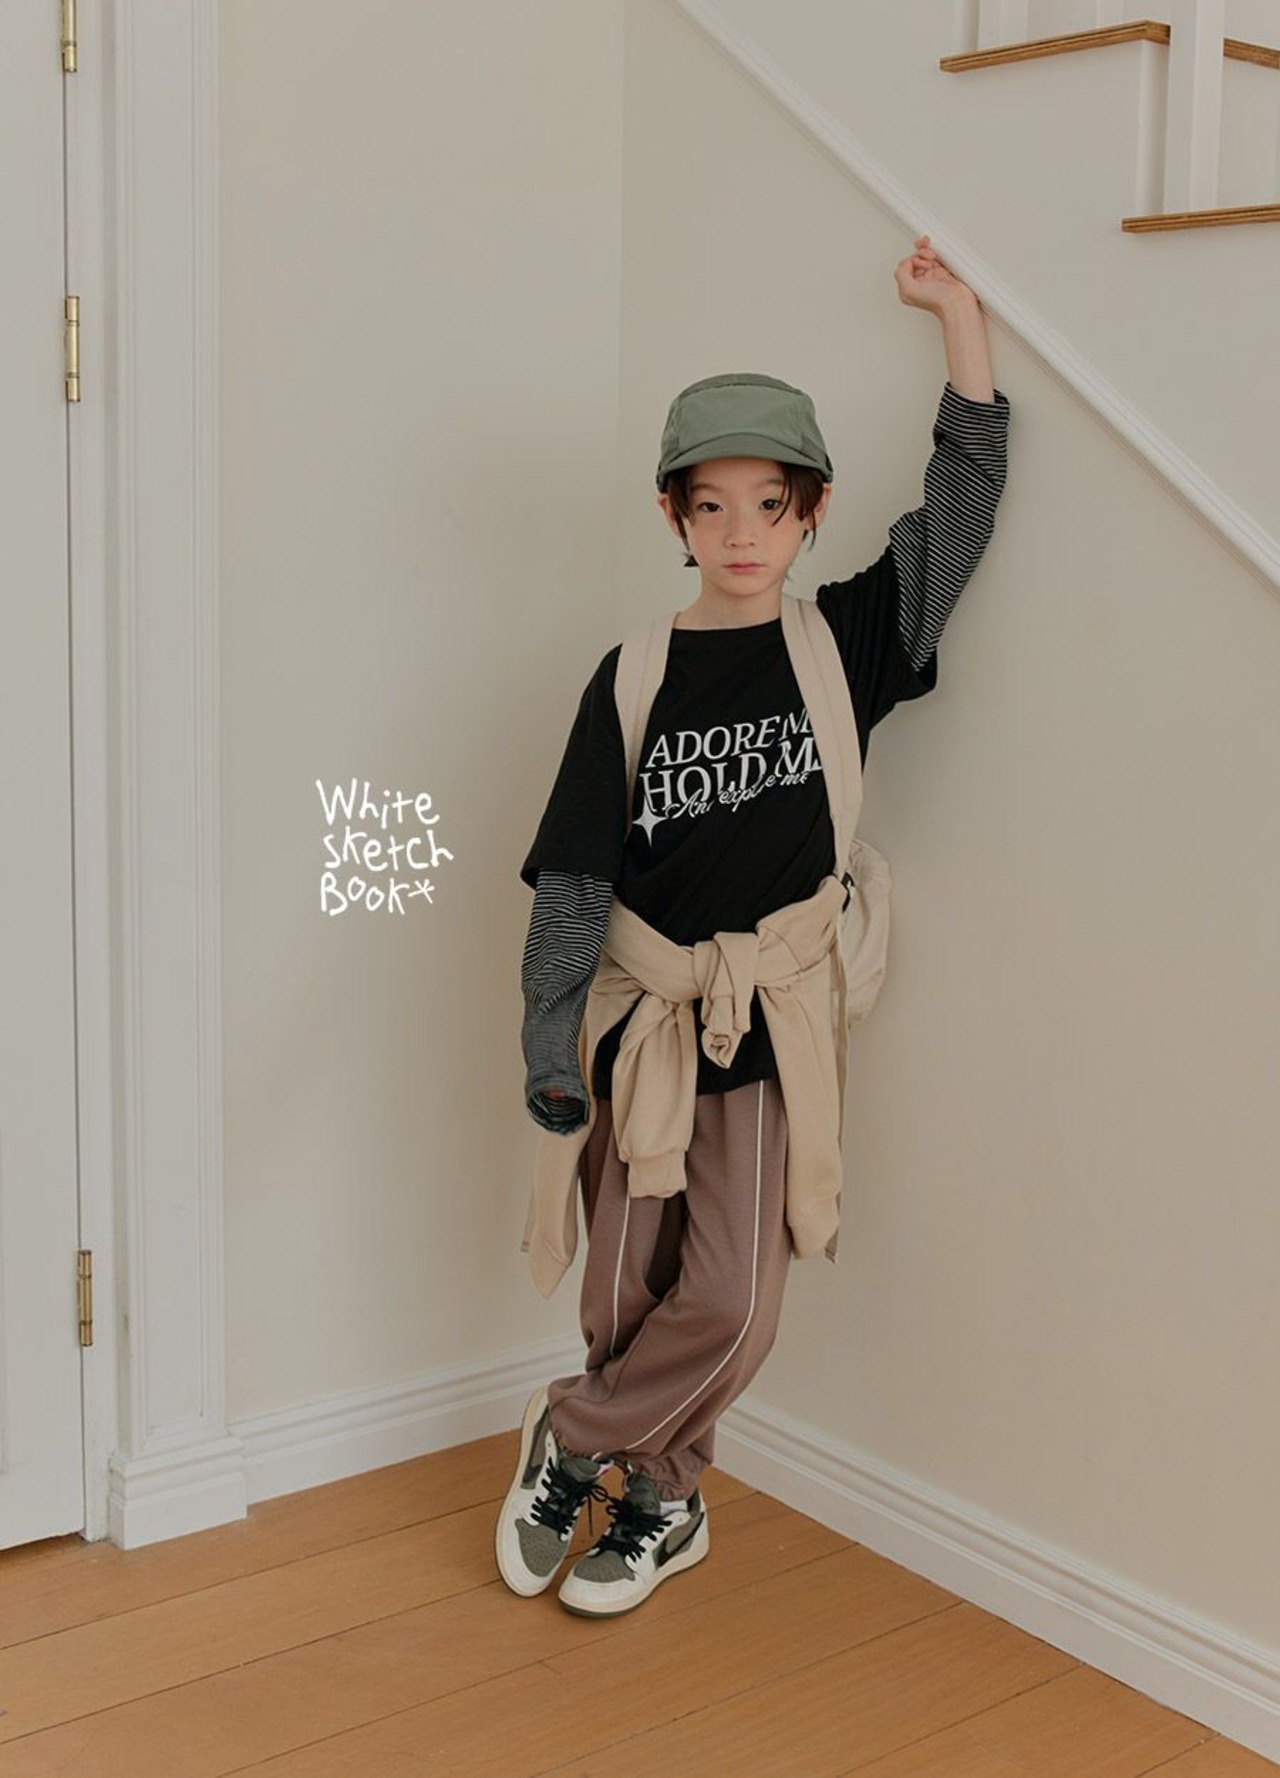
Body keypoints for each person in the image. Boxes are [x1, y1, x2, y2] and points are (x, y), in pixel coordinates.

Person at [496, 234, 1010, 1618]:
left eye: (769, 506)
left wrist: (958, 322)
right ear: (674, 515)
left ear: (809, 513)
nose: (740, 534)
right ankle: (662, 1500)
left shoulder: (842, 643)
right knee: (622, 1292)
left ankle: (577, 1440)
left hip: (768, 1029)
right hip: (638, 1026)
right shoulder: (631, 676)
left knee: (729, 1301)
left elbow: (960, 510)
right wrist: (551, 1050)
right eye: (711, 505)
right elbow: (573, 881)